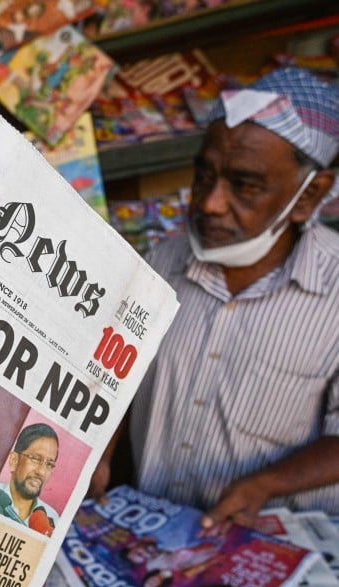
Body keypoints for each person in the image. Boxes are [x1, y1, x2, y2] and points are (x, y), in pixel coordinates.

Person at [91, 68, 339, 527]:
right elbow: (118, 376)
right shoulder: (163, 261)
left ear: (310, 195)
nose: (209, 204)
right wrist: (100, 452)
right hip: (153, 526)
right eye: (204, 176)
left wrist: (268, 483)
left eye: (245, 185)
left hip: (266, 540)